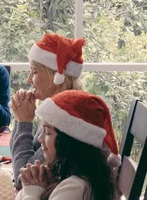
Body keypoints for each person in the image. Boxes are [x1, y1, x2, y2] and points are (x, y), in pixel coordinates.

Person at [9, 90, 123, 200]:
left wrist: (32, 194)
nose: (39, 139)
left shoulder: (75, 189)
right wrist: (34, 188)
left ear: (69, 140)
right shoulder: (69, 172)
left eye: (47, 132)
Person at [10, 33, 93, 190]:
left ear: (57, 76)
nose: (28, 80)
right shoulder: (58, 107)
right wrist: (19, 117)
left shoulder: (65, 120)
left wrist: (24, 122)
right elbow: (26, 155)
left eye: (34, 72)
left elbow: (22, 178)